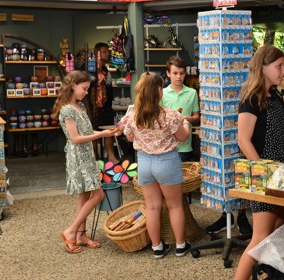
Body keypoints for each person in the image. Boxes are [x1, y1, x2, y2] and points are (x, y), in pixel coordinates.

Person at [223, 45, 284, 280]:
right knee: (259, 239)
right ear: (264, 67)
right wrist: (261, 172)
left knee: (280, 232)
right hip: (264, 181)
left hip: (281, 178)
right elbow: (244, 140)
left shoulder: (275, 96)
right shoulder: (251, 99)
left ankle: (270, 278)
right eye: (279, 66)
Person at [118, 72, 192, 258]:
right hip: (166, 161)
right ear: (159, 91)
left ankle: (157, 247)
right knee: (175, 205)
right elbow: (183, 137)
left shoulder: (133, 115)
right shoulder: (169, 115)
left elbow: (129, 137)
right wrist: (185, 123)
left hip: (144, 162)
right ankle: (181, 245)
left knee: (152, 207)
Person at [56, 71, 118, 254]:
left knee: (84, 196)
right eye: (84, 88)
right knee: (98, 195)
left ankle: (80, 236)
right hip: (78, 157)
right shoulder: (67, 109)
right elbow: (75, 138)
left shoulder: (80, 106)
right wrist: (101, 134)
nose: (85, 92)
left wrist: (106, 134)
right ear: (73, 85)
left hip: (87, 155)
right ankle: (71, 230)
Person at [160, 56, 200, 162]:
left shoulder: (192, 93)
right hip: (166, 144)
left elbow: (196, 116)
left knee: (185, 175)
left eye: (182, 73)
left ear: (185, 74)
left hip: (185, 145)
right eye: (175, 73)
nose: (179, 77)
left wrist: (188, 119)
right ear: (168, 73)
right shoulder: (162, 93)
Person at [88, 42, 118, 163]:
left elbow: (109, 87)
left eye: (108, 51)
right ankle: (94, 159)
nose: (108, 54)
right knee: (92, 134)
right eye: (105, 51)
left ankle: (112, 157)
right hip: (92, 107)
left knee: (109, 132)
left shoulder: (106, 69)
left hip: (106, 107)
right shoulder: (90, 69)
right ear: (97, 53)